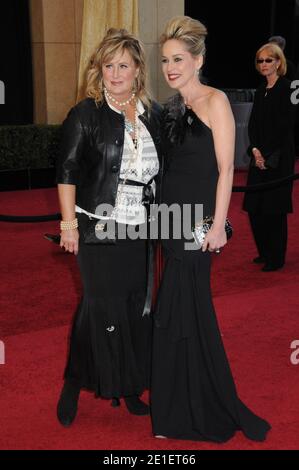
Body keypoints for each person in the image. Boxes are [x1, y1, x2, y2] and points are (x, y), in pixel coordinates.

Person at [150, 15, 271, 442]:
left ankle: (201, 408)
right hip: (169, 220)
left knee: (189, 313)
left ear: (198, 59)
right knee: (174, 313)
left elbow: (225, 169)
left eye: (178, 59)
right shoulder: (170, 107)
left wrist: (218, 226)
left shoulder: (215, 101)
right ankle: (174, 408)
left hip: (198, 225)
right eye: (165, 60)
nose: (170, 67)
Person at [56, 28, 162, 427]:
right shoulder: (86, 113)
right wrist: (69, 225)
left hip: (142, 227)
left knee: (135, 306)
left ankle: (128, 386)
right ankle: (74, 379)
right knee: (100, 306)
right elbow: (66, 171)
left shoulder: (152, 113)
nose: (115, 73)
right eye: (108, 65)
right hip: (98, 225)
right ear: (99, 70)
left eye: (123, 65)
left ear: (137, 70)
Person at [243, 43, 296, 271]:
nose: (264, 64)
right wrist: (255, 150)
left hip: (279, 158)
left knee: (274, 209)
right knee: (255, 207)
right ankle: (264, 252)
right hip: (259, 157)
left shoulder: (288, 88)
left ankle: (276, 258)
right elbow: (252, 124)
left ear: (278, 62)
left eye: (268, 60)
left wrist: (266, 153)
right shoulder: (260, 89)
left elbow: (287, 126)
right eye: (260, 61)